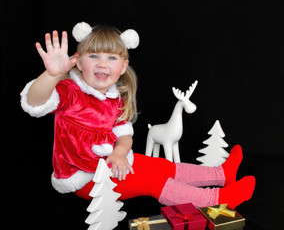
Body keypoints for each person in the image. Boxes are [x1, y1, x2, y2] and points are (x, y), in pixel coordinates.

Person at [21, 22, 255, 208]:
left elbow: (123, 134)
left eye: (111, 58)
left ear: (122, 67)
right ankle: (215, 200)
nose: (102, 63)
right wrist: (52, 75)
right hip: (86, 178)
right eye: (93, 56)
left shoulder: (115, 97)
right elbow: (35, 101)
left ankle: (220, 174)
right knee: (153, 181)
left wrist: (121, 152)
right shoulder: (70, 91)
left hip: (112, 163)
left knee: (159, 166)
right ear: (79, 63)